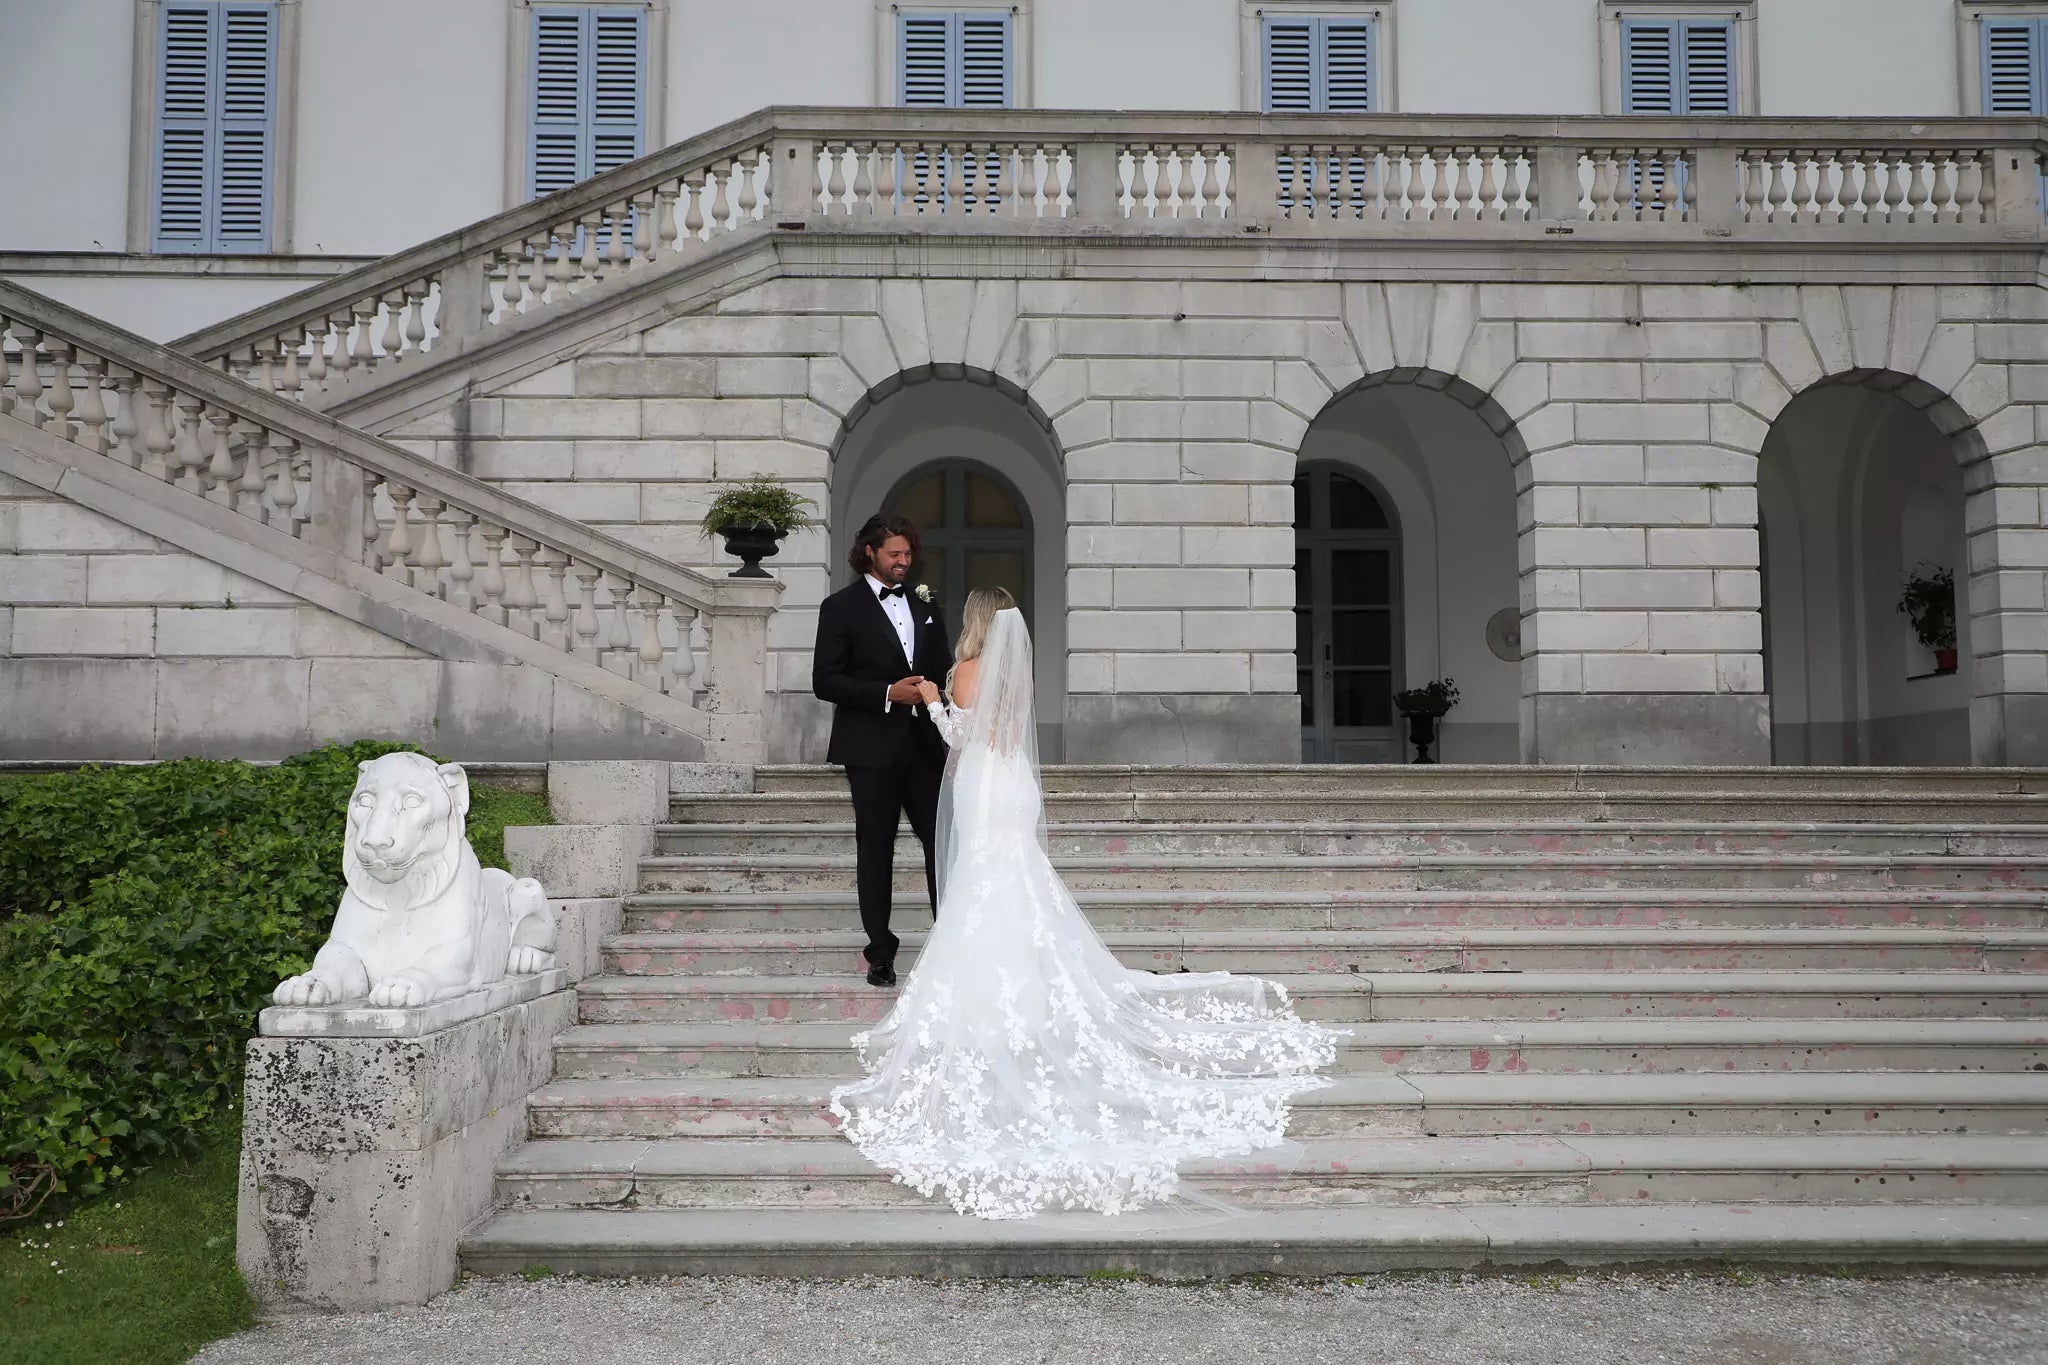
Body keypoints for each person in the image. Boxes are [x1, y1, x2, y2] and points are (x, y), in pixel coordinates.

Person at [828, 587, 1346, 1219]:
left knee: (987, 882)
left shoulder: (966, 671)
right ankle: (1028, 998)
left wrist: (934, 701)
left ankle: (996, 1004)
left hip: (984, 784)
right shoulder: (1017, 673)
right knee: (1016, 881)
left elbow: (961, 739)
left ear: (976, 622)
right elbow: (1008, 734)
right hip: (1014, 783)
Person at [811, 514, 953, 988]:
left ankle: (952, 944)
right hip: (870, 747)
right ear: (869, 552)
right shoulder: (839, 607)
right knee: (875, 849)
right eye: (894, 553)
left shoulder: (926, 603)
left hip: (926, 746)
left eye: (908, 554)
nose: (902, 562)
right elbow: (825, 681)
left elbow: (944, 669)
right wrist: (888, 692)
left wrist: (943, 710)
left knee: (943, 843)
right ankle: (880, 952)